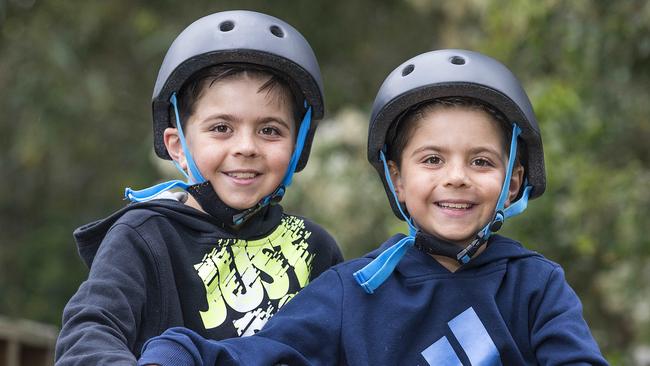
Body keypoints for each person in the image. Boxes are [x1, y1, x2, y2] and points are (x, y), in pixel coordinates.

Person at [137, 49, 608, 365]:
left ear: (513, 183)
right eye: (432, 159)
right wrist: (179, 353)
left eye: (482, 161)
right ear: (397, 179)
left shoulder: (536, 285)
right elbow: (259, 352)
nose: (457, 176)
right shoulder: (352, 291)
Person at [54, 10, 343, 365]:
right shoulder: (144, 236)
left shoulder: (316, 249)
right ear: (178, 146)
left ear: (298, 146)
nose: (246, 147)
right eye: (222, 128)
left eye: (270, 130)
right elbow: (90, 329)